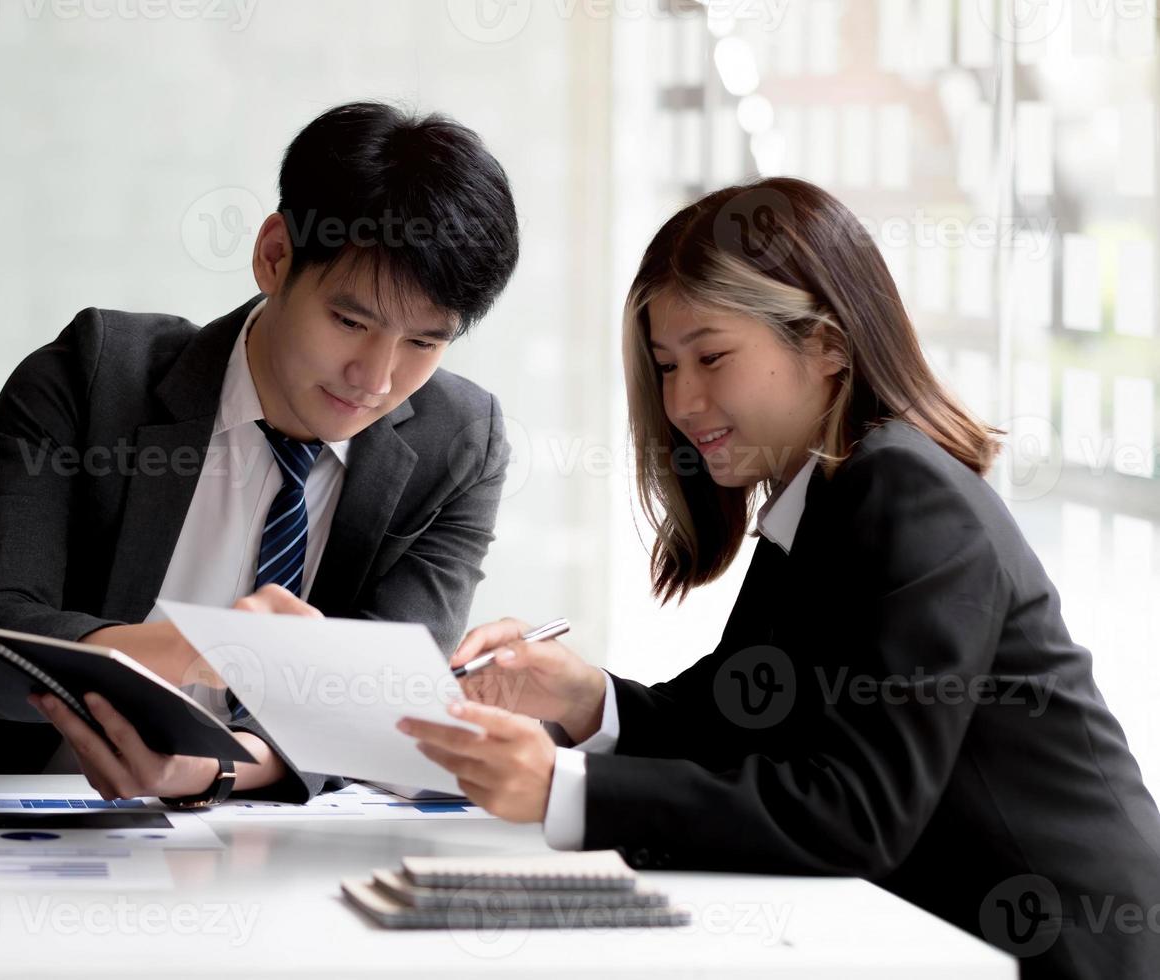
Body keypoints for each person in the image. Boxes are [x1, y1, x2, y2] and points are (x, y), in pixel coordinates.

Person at [402, 177, 1160, 977]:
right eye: (664, 366)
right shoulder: (825, 493)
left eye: (711, 356)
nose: (682, 401)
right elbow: (738, 721)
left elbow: (856, 811)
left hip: (1060, 952)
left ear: (829, 345)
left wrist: (566, 788)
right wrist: (583, 697)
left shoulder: (908, 495)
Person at [0, 101, 520, 807]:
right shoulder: (92, 378)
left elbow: (376, 710)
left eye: (424, 342)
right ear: (274, 256)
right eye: (348, 320)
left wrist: (214, 768)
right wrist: (192, 648)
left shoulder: (457, 441)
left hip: (257, 842)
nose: (376, 378)